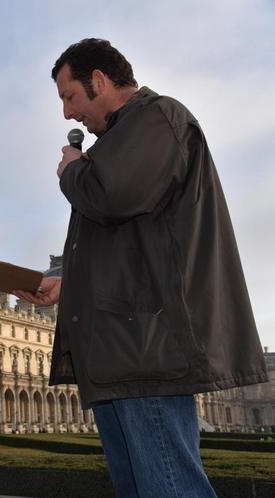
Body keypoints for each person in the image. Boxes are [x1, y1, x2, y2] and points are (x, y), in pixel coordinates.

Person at [15, 38, 269, 498]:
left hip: (146, 348)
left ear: (99, 81)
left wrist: (72, 169)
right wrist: (67, 283)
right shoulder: (123, 139)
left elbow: (110, 197)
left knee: (169, 487)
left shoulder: (156, 117)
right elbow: (130, 242)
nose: (68, 115)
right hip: (121, 348)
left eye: (69, 97)